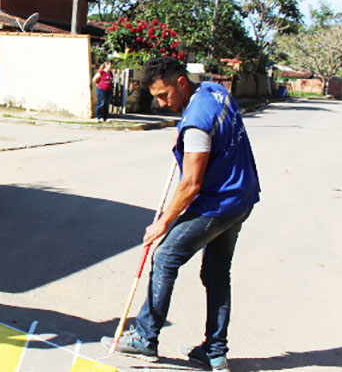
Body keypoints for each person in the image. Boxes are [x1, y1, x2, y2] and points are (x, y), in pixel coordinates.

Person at [105, 57, 260, 371]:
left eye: (164, 95)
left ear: (181, 83)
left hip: (219, 204)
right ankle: (215, 352)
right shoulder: (216, 92)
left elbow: (190, 184)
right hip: (242, 197)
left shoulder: (197, 120)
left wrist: (162, 223)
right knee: (216, 273)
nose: (162, 103)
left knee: (164, 256)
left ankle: (146, 338)